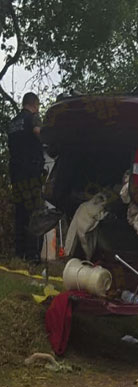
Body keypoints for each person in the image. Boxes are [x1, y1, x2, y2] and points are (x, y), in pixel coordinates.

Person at [7, 92, 45, 261]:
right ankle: (33, 254)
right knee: (34, 212)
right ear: (35, 105)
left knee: (20, 212)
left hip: (16, 174)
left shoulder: (13, 122)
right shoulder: (33, 119)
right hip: (31, 173)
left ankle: (19, 252)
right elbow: (39, 133)